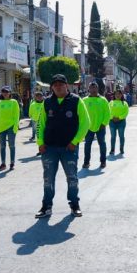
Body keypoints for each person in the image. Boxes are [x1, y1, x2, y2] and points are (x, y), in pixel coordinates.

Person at [36, 74, 90, 218]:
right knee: (48, 179)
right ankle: (46, 206)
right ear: (52, 87)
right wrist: (40, 143)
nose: (58, 87)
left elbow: (85, 123)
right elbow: (40, 124)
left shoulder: (76, 101)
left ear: (67, 85)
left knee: (72, 178)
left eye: (61, 84)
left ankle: (74, 205)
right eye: (55, 85)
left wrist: (75, 142)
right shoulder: (47, 102)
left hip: (69, 148)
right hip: (49, 148)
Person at [83, 82, 110, 169]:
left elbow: (107, 113)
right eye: (91, 88)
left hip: (100, 127)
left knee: (102, 144)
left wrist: (104, 123)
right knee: (87, 145)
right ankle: (86, 162)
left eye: (95, 87)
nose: (93, 89)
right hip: (88, 127)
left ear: (97, 89)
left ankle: (103, 161)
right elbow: (81, 114)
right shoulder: (84, 100)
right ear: (89, 89)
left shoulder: (103, 100)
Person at [0, 86, 20, 171]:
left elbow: (16, 115)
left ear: (10, 93)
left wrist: (15, 126)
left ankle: (12, 163)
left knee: (11, 145)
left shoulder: (14, 102)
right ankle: (3, 163)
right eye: (3, 92)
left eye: (7, 92)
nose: (5, 93)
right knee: (2, 146)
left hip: (11, 127)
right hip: (1, 127)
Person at [109, 90, 129, 155]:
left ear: (121, 95)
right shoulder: (111, 102)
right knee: (113, 136)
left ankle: (121, 149)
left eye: (119, 94)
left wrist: (119, 118)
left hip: (121, 122)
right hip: (112, 122)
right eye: (116, 94)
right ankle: (112, 149)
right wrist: (112, 117)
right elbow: (108, 111)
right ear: (114, 95)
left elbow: (126, 112)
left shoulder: (124, 103)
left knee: (121, 136)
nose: (117, 95)